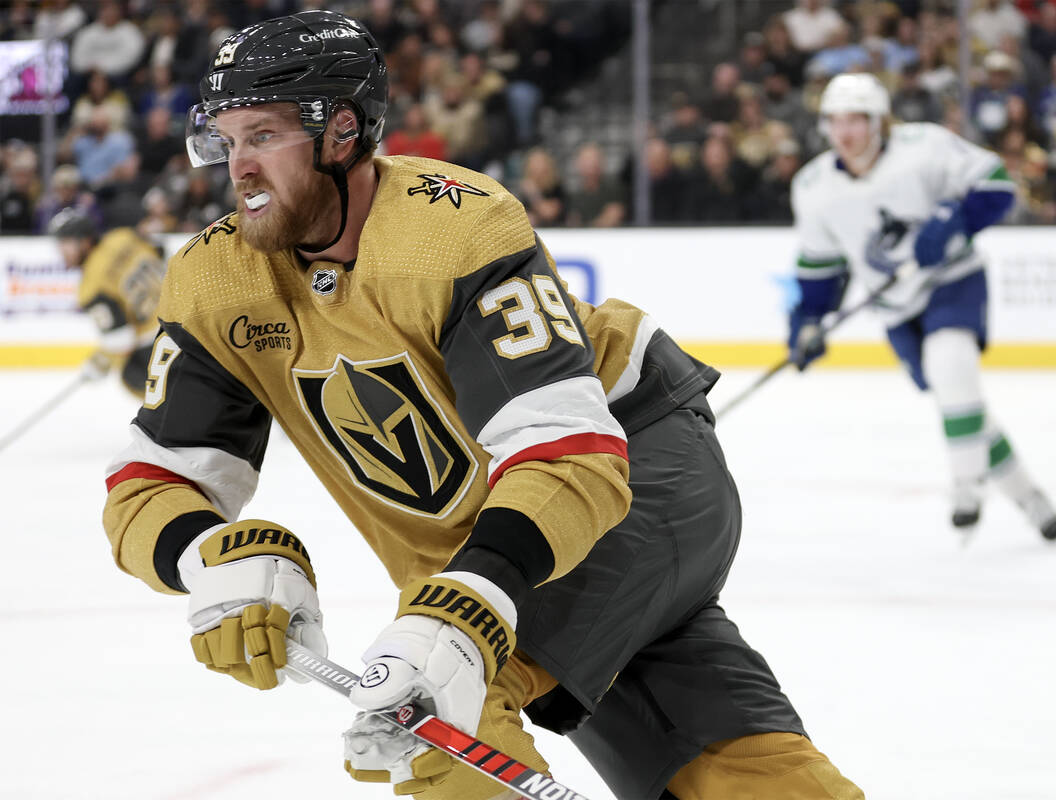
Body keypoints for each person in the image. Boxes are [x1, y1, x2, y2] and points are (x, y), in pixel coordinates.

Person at [101, 12, 863, 800]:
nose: (239, 166)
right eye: (225, 141)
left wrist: (468, 606)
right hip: (501, 534)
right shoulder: (216, 279)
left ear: (341, 134)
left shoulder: (449, 227)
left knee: (435, 717)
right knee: (726, 761)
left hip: (635, 468)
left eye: (261, 135)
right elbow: (150, 480)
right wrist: (211, 556)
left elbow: (566, 452)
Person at [786, 73, 1056, 541]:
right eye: (835, 121)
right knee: (961, 401)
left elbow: (996, 185)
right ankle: (1031, 500)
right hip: (895, 306)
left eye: (857, 119)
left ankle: (965, 488)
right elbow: (820, 266)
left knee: (951, 364)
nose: (845, 132)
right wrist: (808, 321)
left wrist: (953, 222)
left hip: (953, 279)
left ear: (880, 121)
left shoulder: (925, 147)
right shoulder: (813, 187)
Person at [48, 209, 163, 396]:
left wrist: (100, 361)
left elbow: (120, 339)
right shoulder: (123, 236)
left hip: (159, 344)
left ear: (84, 240)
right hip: (189, 317)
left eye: (65, 243)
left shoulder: (90, 287)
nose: (62, 252)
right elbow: (161, 252)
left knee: (130, 376)